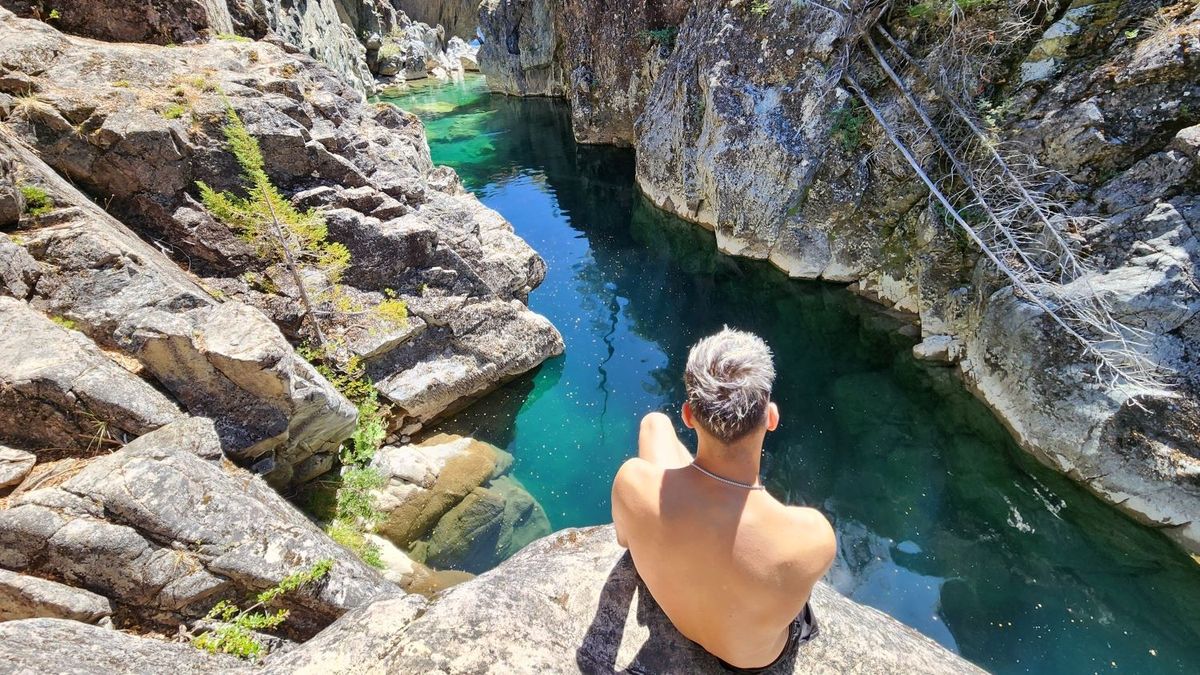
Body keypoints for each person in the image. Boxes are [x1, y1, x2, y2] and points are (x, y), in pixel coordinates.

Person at [611, 327, 836, 672]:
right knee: (656, 425)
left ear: (688, 416)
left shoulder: (631, 481)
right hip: (750, 660)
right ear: (771, 418)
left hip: (673, 611)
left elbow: (625, 541)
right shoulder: (811, 536)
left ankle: (700, 477)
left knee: (654, 424)